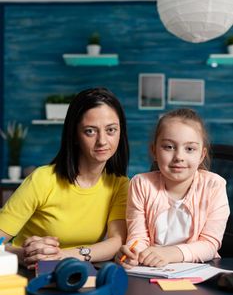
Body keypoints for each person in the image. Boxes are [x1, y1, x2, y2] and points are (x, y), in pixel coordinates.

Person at [0, 87, 130, 269]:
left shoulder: (120, 184)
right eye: (90, 131)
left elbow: (116, 242)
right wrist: (22, 254)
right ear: (75, 135)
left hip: (75, 273)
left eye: (111, 130)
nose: (102, 141)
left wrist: (64, 256)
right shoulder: (43, 179)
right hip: (27, 273)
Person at [116, 108, 230, 268]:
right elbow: (138, 237)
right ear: (154, 151)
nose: (179, 157)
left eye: (189, 149)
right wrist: (133, 253)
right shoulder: (140, 184)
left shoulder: (214, 186)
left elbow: (210, 244)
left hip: (198, 272)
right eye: (169, 147)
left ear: (202, 155)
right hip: (151, 268)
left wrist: (170, 253)